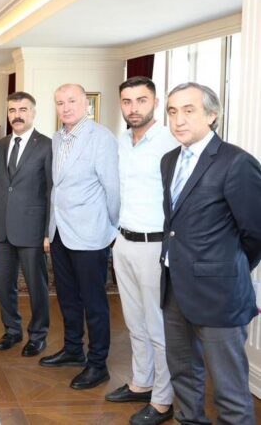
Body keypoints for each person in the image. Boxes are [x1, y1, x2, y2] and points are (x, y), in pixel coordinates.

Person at [161, 82, 261, 425]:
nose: (178, 120)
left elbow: (255, 232)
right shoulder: (169, 160)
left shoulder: (237, 162)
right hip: (174, 288)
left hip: (219, 294)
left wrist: (226, 268)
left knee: (229, 392)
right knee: (184, 378)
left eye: (189, 110)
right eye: (172, 111)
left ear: (212, 115)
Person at [105, 77, 177, 425]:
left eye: (141, 100)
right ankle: (141, 383)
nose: (133, 108)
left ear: (156, 103)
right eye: (127, 101)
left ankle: (163, 400)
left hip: (156, 245)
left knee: (157, 324)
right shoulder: (120, 142)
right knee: (134, 321)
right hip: (123, 241)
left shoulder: (170, 141)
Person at [40, 83, 119, 390]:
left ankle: (98, 364)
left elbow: (112, 189)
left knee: (94, 302)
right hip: (60, 233)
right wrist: (50, 230)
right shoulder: (57, 138)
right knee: (68, 297)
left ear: (86, 104)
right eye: (60, 102)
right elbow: (57, 188)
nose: (66, 107)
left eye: (72, 101)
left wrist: (110, 228)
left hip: (90, 234)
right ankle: (73, 349)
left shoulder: (101, 137)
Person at [0, 91, 51, 356]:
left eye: (23, 109)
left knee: (37, 286)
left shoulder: (46, 145)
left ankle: (38, 335)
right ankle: (12, 330)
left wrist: (47, 232)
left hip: (32, 230)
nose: (17, 115)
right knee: (4, 286)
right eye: (12, 110)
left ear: (33, 112)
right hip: (1, 229)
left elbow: (51, 191)